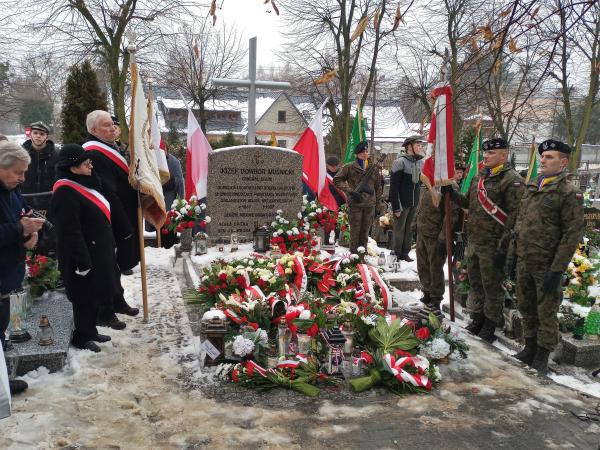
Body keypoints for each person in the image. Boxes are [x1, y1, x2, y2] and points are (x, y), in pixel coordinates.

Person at [51, 144, 132, 352]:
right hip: (82, 254)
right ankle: (82, 336)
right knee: (83, 296)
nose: (90, 164)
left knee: (95, 291)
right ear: (72, 166)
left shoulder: (86, 183)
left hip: (98, 251)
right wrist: (81, 260)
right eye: (85, 162)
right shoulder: (65, 191)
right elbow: (69, 231)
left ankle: (91, 330)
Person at [513, 139, 583, 375]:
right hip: (525, 259)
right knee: (526, 305)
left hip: (547, 264)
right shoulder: (533, 186)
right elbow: (520, 222)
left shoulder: (568, 192)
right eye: (543, 157)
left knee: (546, 310)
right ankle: (530, 346)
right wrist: (514, 254)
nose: (543, 160)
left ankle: (543, 354)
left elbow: (571, 234)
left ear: (563, 163)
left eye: (550, 157)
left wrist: (557, 269)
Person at [445, 138, 524, 343]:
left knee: (492, 287)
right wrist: (451, 194)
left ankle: (490, 324)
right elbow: (468, 203)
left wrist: (504, 247)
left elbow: (516, 217)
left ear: (503, 156)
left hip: (495, 244)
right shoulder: (479, 178)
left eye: (491, 153)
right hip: (475, 242)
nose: (486, 156)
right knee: (476, 284)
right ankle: (478, 318)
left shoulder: (511, 180)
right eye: (485, 153)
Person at [83, 110, 139, 330]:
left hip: (118, 212)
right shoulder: (94, 152)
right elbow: (108, 190)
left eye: (112, 124)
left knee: (114, 265)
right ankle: (104, 311)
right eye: (106, 125)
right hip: (106, 217)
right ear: (94, 130)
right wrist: (123, 222)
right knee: (105, 265)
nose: (112, 128)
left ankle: (117, 300)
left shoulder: (111, 147)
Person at [0, 140, 45, 394]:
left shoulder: (11, 190)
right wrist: (20, 229)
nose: (22, 178)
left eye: (24, 172)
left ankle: (2, 382)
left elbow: (22, 216)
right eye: (17, 172)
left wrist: (31, 234)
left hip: (7, 275)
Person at [415, 167, 461, 311]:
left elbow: (451, 214)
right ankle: (426, 292)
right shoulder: (428, 181)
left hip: (436, 234)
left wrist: (444, 236)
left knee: (435, 267)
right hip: (423, 231)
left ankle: (436, 298)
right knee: (422, 265)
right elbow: (421, 205)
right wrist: (415, 223)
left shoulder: (449, 186)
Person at [333, 141, 382, 254]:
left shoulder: (373, 167)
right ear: (357, 154)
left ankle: (362, 254)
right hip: (355, 204)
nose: (365, 154)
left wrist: (377, 203)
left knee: (365, 232)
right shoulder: (349, 167)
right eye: (362, 152)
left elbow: (378, 186)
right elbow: (337, 179)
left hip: (369, 204)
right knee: (355, 231)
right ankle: (354, 255)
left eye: (366, 151)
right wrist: (349, 190)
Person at [20, 121, 59, 256]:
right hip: (26, 203)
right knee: (28, 237)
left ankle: (50, 266)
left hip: (49, 203)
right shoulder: (21, 154)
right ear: (30, 134)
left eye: (42, 134)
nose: (38, 136)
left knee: (50, 238)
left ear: (47, 136)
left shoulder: (55, 155)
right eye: (35, 133)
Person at [389, 135, 426, 262]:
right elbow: (393, 188)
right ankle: (396, 253)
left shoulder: (420, 162)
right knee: (399, 229)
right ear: (409, 147)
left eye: (421, 145)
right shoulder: (399, 162)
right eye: (418, 145)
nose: (420, 147)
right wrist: (396, 206)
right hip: (401, 203)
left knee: (409, 229)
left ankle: (405, 253)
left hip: (414, 203)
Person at [145, 144, 184, 249]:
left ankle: (169, 251)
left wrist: (180, 204)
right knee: (157, 228)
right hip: (154, 201)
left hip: (169, 203)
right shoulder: (150, 160)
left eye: (163, 150)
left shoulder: (174, 162)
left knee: (169, 231)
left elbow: (180, 183)